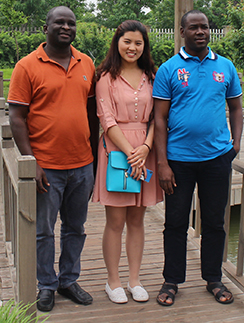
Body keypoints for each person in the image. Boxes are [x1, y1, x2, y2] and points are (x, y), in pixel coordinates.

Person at [7, 6, 99, 313]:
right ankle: (46, 284)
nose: (66, 27)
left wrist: (94, 159)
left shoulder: (86, 63)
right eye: (59, 22)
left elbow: (91, 113)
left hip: (82, 164)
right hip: (46, 166)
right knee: (43, 230)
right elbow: (17, 118)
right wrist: (31, 161)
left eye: (71, 23)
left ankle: (68, 280)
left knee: (76, 227)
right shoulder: (27, 66)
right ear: (45, 28)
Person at [152, 10, 243, 307]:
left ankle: (213, 278)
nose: (200, 31)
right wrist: (162, 163)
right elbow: (159, 118)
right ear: (182, 32)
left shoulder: (225, 66)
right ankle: (171, 280)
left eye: (204, 27)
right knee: (175, 222)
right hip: (178, 160)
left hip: (216, 158)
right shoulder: (169, 69)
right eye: (194, 27)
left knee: (215, 222)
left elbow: (236, 107)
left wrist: (236, 144)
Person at [92, 20, 162, 304]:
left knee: (137, 219)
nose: (132, 47)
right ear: (117, 42)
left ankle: (135, 280)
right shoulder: (105, 77)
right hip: (116, 151)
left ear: (144, 46)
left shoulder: (152, 76)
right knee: (115, 220)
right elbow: (106, 119)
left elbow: (158, 117)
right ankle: (113, 281)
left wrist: (145, 147)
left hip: (146, 151)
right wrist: (131, 153)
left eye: (138, 43)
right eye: (127, 41)